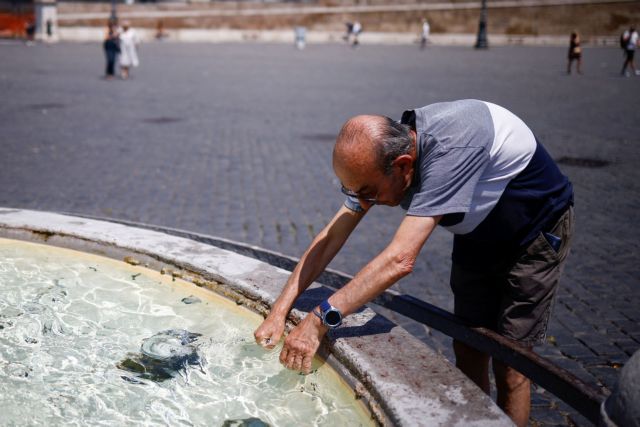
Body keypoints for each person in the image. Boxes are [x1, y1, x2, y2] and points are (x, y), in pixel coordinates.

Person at [254, 100, 574, 427]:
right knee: (468, 346)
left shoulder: (449, 153)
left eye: (368, 193)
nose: (361, 203)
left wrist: (319, 320)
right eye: (350, 190)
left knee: (512, 365)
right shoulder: (385, 157)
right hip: (477, 231)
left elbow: (400, 259)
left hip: (533, 234)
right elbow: (329, 239)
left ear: (405, 166)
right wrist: (279, 311)